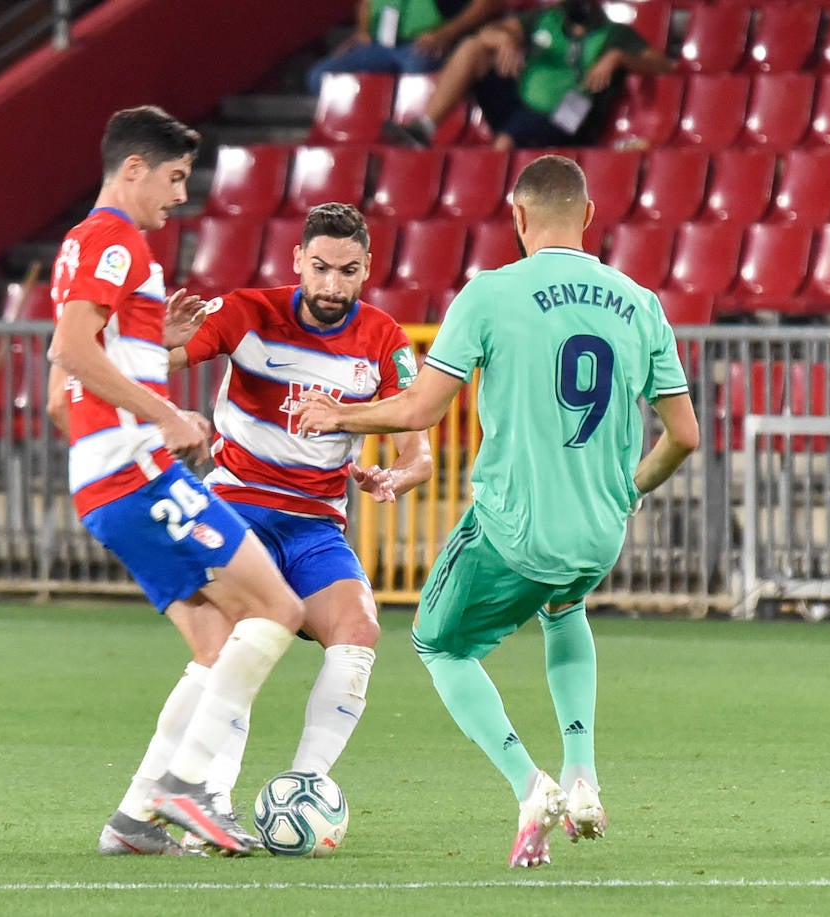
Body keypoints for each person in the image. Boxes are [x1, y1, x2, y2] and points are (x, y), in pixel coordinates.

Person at [295, 154, 699, 868]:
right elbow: (685, 435)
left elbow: (422, 406)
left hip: (515, 528)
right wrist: (626, 494)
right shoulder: (641, 301)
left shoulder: (488, 294)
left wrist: (340, 413)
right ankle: (583, 774)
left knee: (437, 642)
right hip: (597, 533)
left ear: (517, 218)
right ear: (589, 217)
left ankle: (529, 782)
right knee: (563, 609)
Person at [44, 104, 305, 857]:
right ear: (133, 169)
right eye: (174, 177)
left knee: (215, 637)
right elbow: (72, 348)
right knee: (277, 606)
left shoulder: (81, 246)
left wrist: (152, 344)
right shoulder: (114, 239)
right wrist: (167, 413)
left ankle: (132, 820)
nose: (180, 196)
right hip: (136, 474)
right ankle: (185, 787)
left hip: (108, 481)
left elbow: (67, 380)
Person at [163, 202, 433, 848]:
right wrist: (157, 336)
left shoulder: (385, 340)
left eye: (347, 271)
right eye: (320, 268)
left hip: (314, 526)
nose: (332, 286)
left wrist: (394, 477)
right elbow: (170, 360)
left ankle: (304, 786)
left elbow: (417, 448)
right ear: (297, 263)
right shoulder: (247, 313)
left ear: (368, 268)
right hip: (236, 509)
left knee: (359, 627)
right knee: (240, 640)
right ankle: (211, 800)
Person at [383, 0, 674, 150]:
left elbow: (663, 65)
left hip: (565, 118)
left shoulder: (614, 34)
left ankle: (497, 203)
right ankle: (425, 128)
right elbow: (492, 32)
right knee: (474, 46)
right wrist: (504, 40)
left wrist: (618, 57)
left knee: (509, 140)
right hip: (520, 102)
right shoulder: (545, 19)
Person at [307, 0, 505, 95]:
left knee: (416, 72)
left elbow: (489, 5)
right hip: (378, 45)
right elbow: (366, 3)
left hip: (424, 44)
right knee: (320, 76)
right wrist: (362, 30)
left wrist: (446, 33)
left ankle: (408, 133)